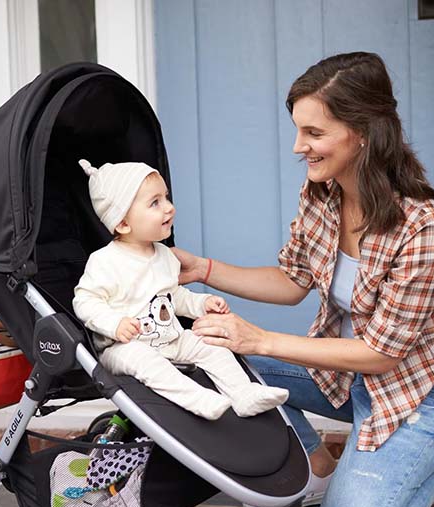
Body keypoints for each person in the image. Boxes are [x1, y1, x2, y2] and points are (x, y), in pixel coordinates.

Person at [173, 52, 434, 507]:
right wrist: (203, 268)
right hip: (344, 374)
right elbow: (294, 280)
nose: (300, 147)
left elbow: (383, 355)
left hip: (418, 392)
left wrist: (258, 338)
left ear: (362, 132)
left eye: (313, 133)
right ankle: (316, 467)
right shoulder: (321, 193)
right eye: (298, 130)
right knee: (213, 356)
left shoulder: (424, 226)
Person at [72, 159, 289, 420]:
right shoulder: (106, 262)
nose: (169, 208)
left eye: (166, 198)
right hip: (123, 347)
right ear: (123, 224)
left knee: (210, 346)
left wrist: (201, 304)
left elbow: (173, 298)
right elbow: (85, 302)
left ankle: (243, 394)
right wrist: (114, 323)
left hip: (171, 339)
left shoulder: (164, 255)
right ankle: (197, 399)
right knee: (145, 361)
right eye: (155, 203)